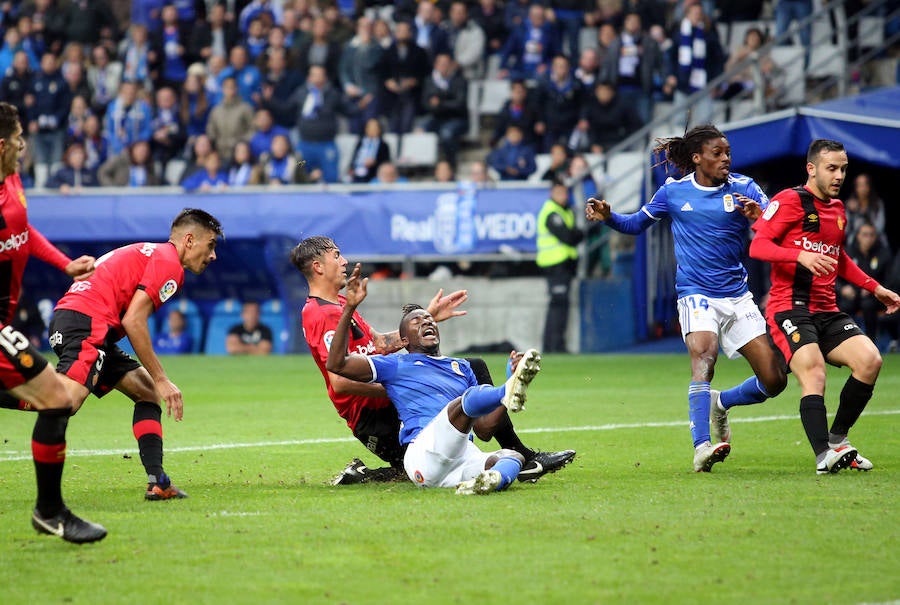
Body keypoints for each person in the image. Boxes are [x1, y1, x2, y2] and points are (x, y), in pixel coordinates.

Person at [291, 235, 575, 484]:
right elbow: (339, 381)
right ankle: (364, 474)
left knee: (471, 370)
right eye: (336, 255)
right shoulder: (320, 314)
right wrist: (401, 386)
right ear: (318, 266)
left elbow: (378, 343)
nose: (344, 261)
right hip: (374, 416)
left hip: (390, 398)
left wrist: (426, 318)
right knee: (425, 467)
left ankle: (522, 456)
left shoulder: (339, 303)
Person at [585, 124, 788, 472]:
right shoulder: (674, 192)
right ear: (697, 159)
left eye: (727, 153)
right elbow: (635, 224)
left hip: (737, 296)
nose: (725, 159)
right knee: (704, 355)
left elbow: (778, 230)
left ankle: (721, 402)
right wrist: (609, 217)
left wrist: (758, 218)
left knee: (774, 379)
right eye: (717, 153)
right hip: (695, 292)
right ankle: (702, 447)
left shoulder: (745, 188)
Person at [43, 208, 223, 500]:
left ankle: (158, 482)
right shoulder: (169, 265)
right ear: (189, 240)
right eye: (211, 245)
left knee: (146, 392)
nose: (213, 255)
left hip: (81, 321)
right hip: (86, 324)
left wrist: (156, 382)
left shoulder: (152, 253)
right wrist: (163, 378)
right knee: (65, 402)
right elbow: (134, 321)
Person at [749, 139, 900, 474]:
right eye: (832, 168)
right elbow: (758, 246)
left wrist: (875, 288)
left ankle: (838, 441)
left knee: (870, 360)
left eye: (843, 168)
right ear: (811, 168)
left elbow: (839, 258)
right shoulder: (788, 201)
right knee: (814, 371)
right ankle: (822, 457)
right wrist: (799, 254)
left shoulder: (839, 210)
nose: (839, 175)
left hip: (827, 309)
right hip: (789, 307)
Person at [325, 263, 543, 495]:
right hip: (424, 454)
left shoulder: (462, 368)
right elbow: (336, 364)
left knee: (511, 456)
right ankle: (507, 390)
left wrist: (510, 380)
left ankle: (491, 481)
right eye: (417, 322)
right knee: (465, 400)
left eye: (429, 319)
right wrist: (348, 308)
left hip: (460, 458)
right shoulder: (395, 365)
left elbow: (485, 429)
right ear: (404, 340)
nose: (427, 322)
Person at [0, 101, 105, 543]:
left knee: (54, 399)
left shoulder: (11, 180)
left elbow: (23, 230)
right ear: (2, 145)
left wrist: (64, 264)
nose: (26, 145)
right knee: (58, 399)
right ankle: (50, 511)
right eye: (20, 139)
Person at [537, 181, 583, 353]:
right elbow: (569, 236)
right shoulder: (551, 212)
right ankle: (555, 345)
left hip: (564, 265)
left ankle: (553, 345)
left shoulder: (564, 211)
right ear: (553, 193)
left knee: (559, 305)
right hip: (554, 265)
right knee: (558, 306)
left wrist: (576, 234)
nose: (564, 197)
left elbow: (574, 234)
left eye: (565, 193)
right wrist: (578, 234)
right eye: (560, 193)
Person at [836, 221, 893, 341]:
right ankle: (843, 339)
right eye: (865, 235)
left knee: (868, 305)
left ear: (876, 237)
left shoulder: (884, 253)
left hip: (874, 298)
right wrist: (842, 289)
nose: (868, 238)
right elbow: (833, 276)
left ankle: (872, 341)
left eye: (871, 235)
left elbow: (890, 280)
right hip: (852, 295)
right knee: (845, 305)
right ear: (858, 236)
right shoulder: (848, 252)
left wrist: (875, 288)